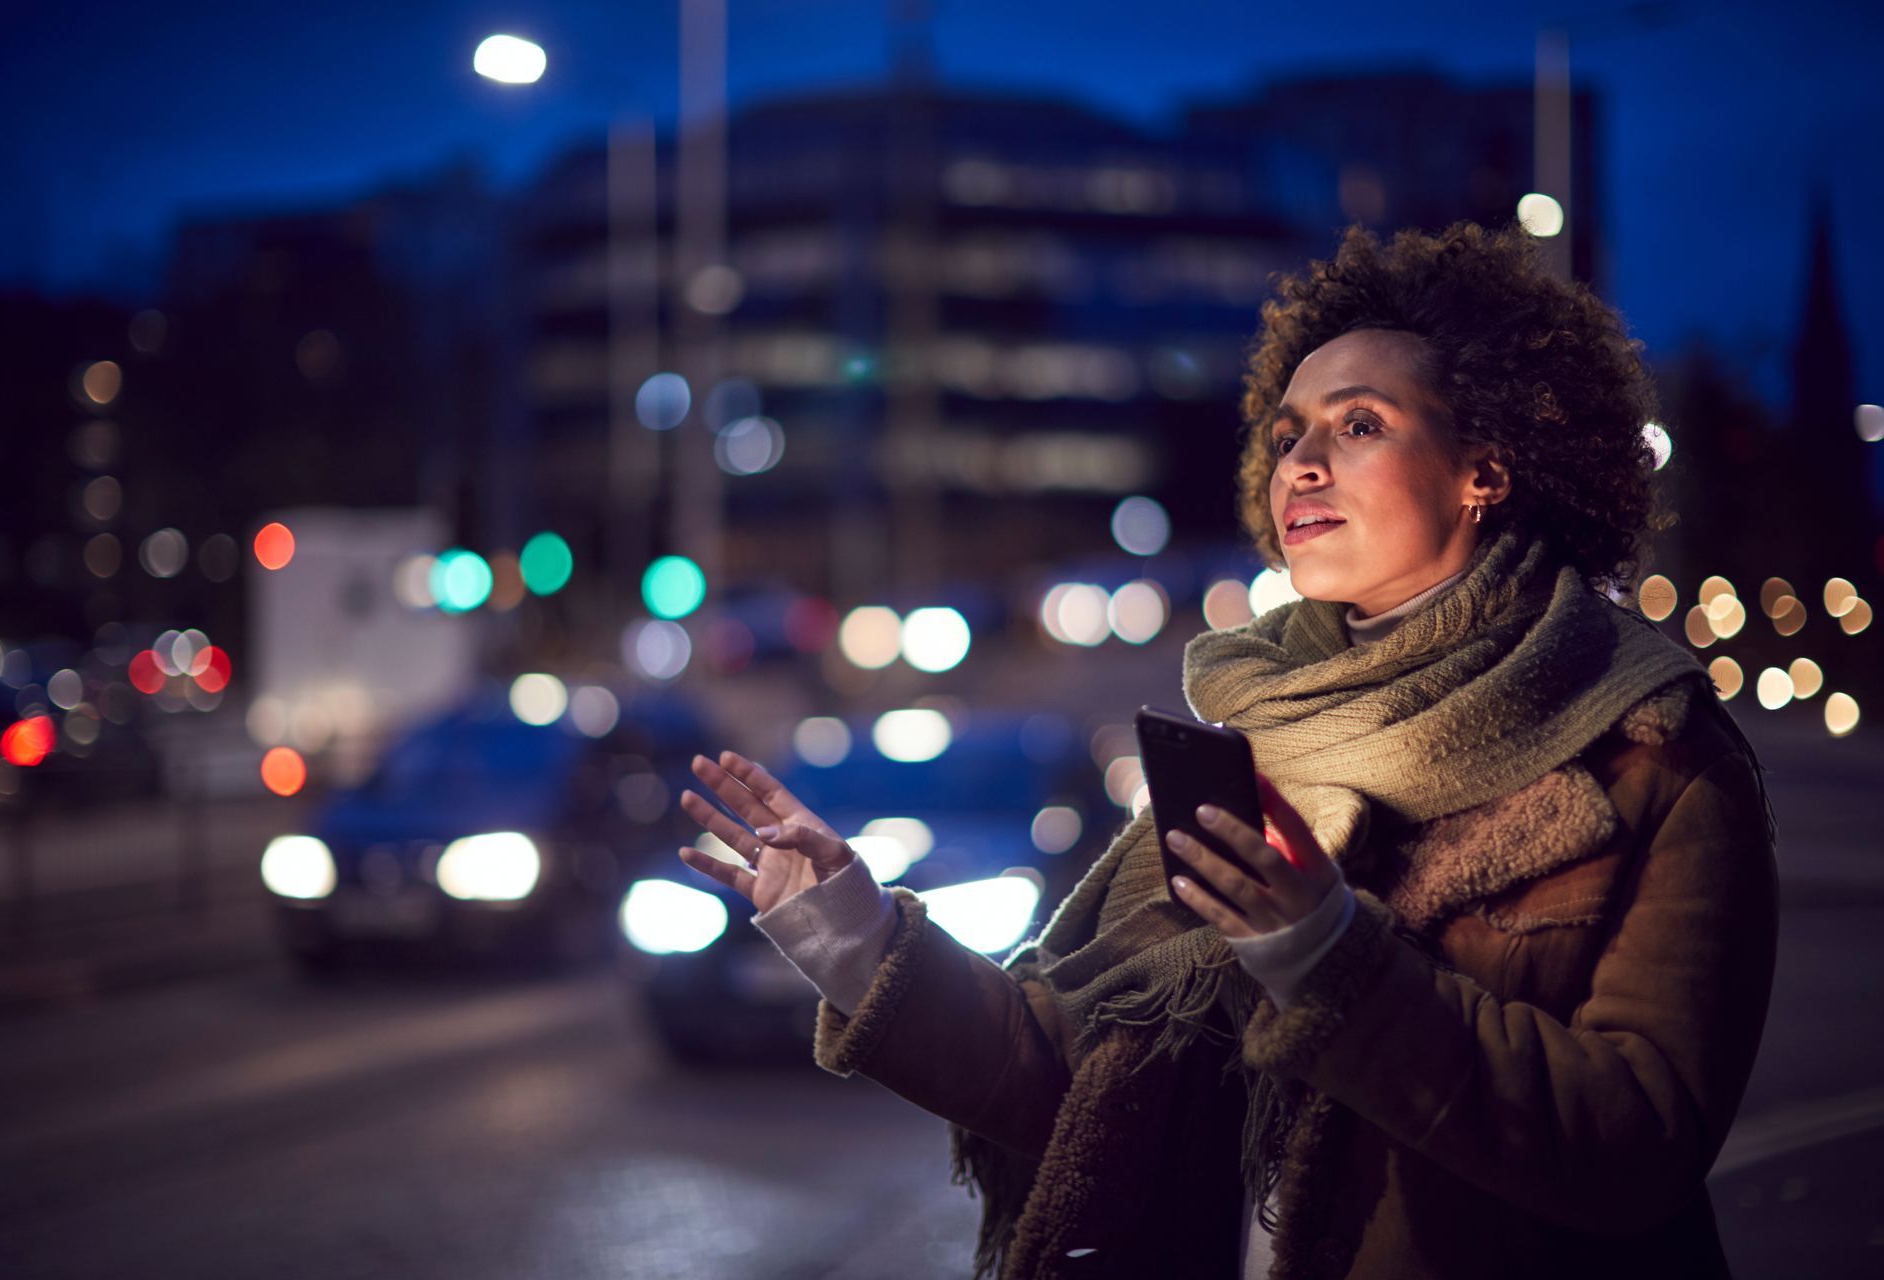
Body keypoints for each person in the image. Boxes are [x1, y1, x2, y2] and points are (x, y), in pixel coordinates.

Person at [675, 221, 1779, 1279]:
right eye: (1288, 430)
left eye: (1357, 424)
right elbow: (1073, 1078)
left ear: (1483, 469)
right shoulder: (1265, 741)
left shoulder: (1650, 755)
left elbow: (1637, 1142)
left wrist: (1332, 960)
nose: (1299, 462)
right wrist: (852, 934)